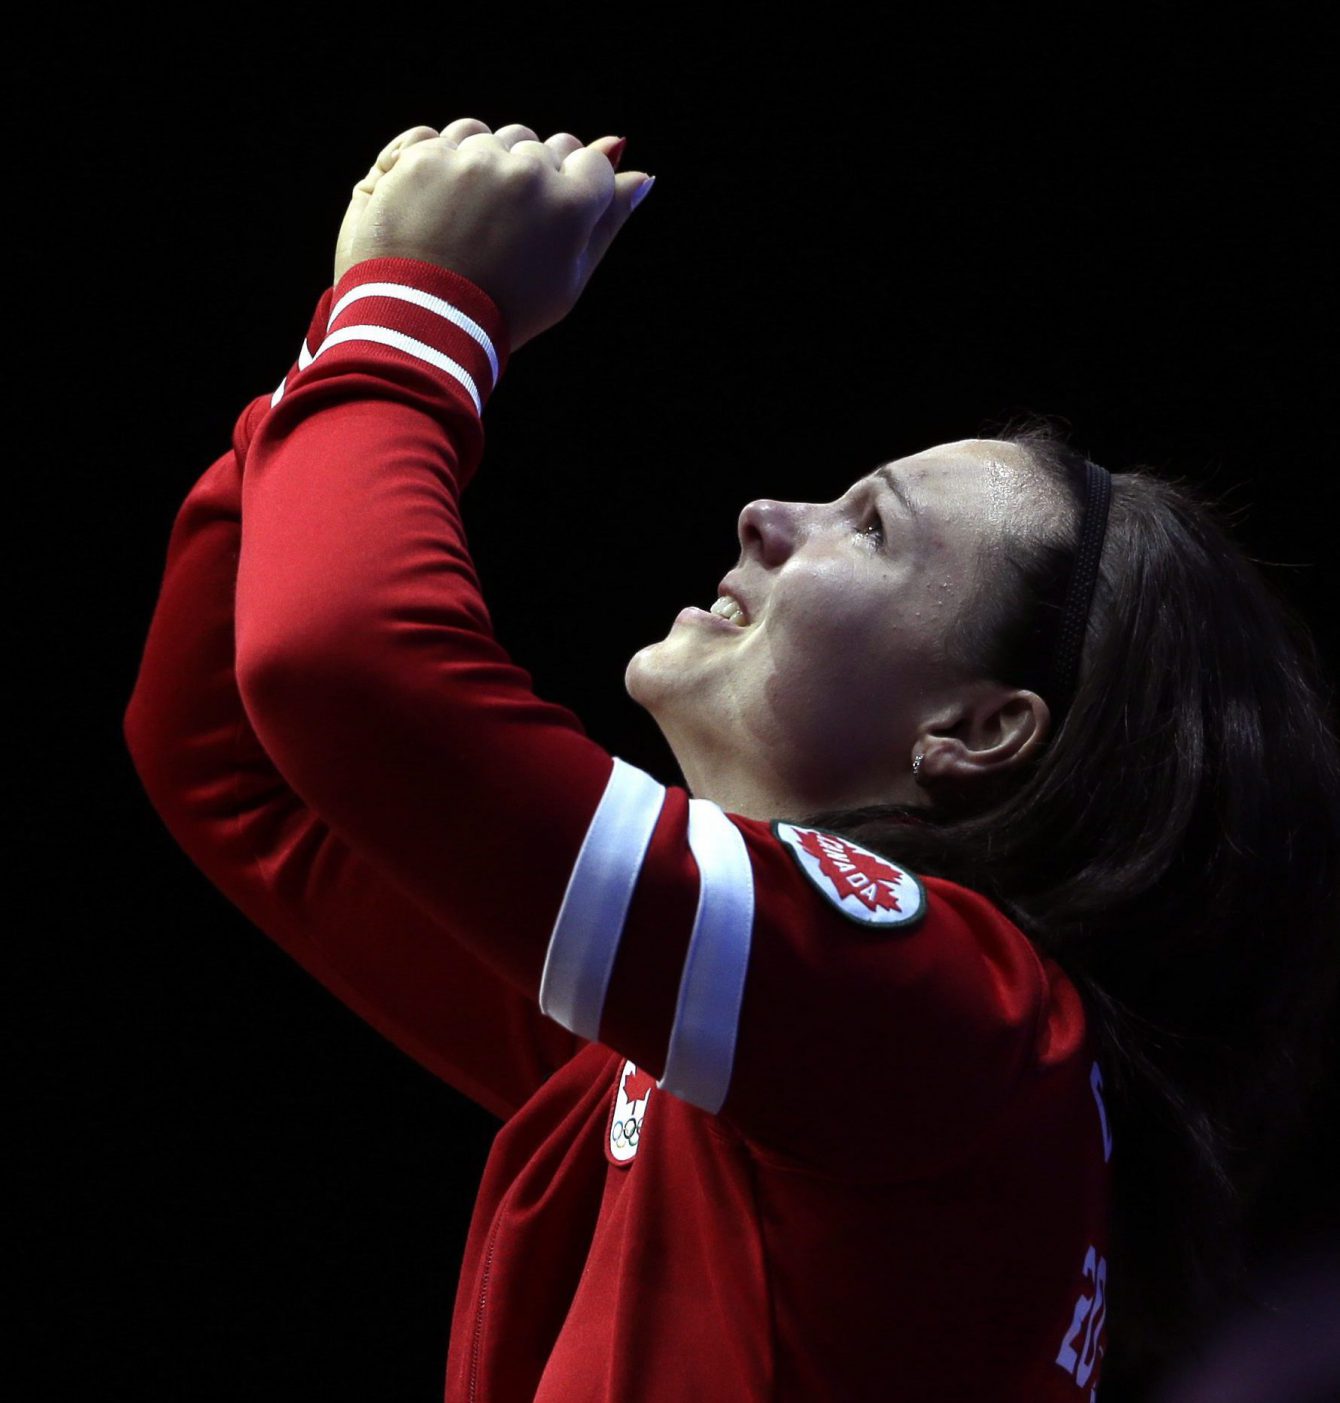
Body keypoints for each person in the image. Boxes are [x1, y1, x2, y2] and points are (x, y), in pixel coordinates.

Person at [122, 118, 1340, 1401]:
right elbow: (234, 755)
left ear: (979, 731)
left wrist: (422, 305)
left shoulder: (948, 1016)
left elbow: (339, 670)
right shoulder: (802, 1067)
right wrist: (356, 326)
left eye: (866, 528)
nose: (767, 515)